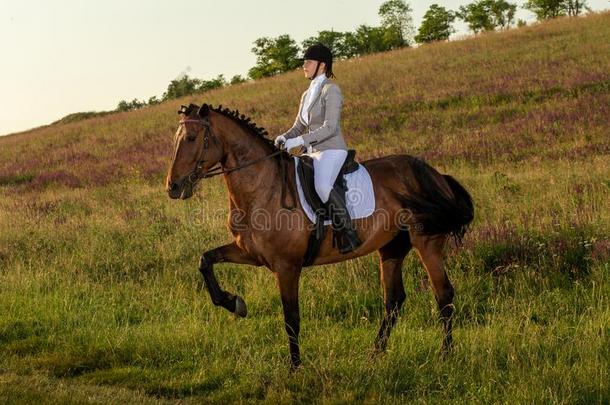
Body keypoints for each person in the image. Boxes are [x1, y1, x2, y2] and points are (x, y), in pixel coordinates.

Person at [274, 43, 361, 254]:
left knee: (322, 185)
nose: (304, 66)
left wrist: (300, 141)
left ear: (322, 65)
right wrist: (284, 137)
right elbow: (298, 126)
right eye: (304, 62)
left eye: (308, 62)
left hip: (331, 148)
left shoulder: (331, 89)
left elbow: (330, 127)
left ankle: (349, 233)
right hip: (312, 152)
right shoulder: (306, 94)